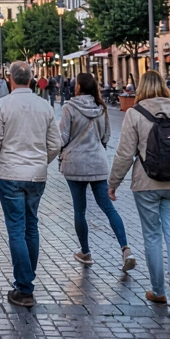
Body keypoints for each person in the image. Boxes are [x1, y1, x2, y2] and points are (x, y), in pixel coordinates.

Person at [108, 71, 170, 313]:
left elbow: (124, 154)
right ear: (163, 86)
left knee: (152, 236)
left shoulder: (134, 113)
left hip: (146, 183)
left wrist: (114, 183)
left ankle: (159, 292)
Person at [0, 62, 62, 309]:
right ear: (32, 79)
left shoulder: (2, 106)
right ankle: (26, 279)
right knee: (31, 226)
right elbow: (55, 144)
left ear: (9, 79)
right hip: (36, 176)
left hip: (9, 175)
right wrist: (40, 161)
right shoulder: (44, 105)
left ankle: (24, 287)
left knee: (16, 229)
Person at [59, 72, 136, 271]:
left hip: (75, 164)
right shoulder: (101, 108)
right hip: (98, 163)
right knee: (109, 208)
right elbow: (106, 135)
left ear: (77, 87)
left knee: (79, 210)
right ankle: (125, 248)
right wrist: (96, 147)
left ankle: (85, 252)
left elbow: (63, 137)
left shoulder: (69, 107)